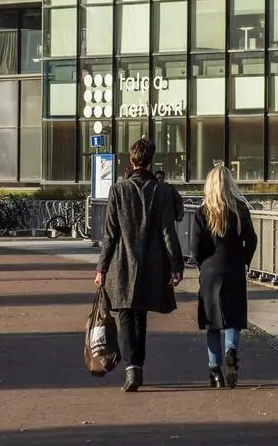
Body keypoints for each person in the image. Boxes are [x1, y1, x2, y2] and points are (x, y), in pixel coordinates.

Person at [94, 136, 183, 392]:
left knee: (125, 314)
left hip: (122, 263)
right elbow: (168, 231)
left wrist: (101, 268)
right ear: (150, 160)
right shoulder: (161, 191)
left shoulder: (118, 190)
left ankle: (132, 368)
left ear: (131, 159)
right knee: (140, 315)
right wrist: (176, 266)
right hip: (150, 264)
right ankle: (137, 366)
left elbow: (109, 234)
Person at [191, 164, 258, 389]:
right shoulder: (240, 210)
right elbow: (252, 240)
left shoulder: (202, 213)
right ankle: (231, 352)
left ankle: (215, 370)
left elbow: (196, 248)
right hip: (234, 269)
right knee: (232, 319)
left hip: (211, 271)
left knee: (212, 323)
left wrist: (203, 264)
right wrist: (244, 260)